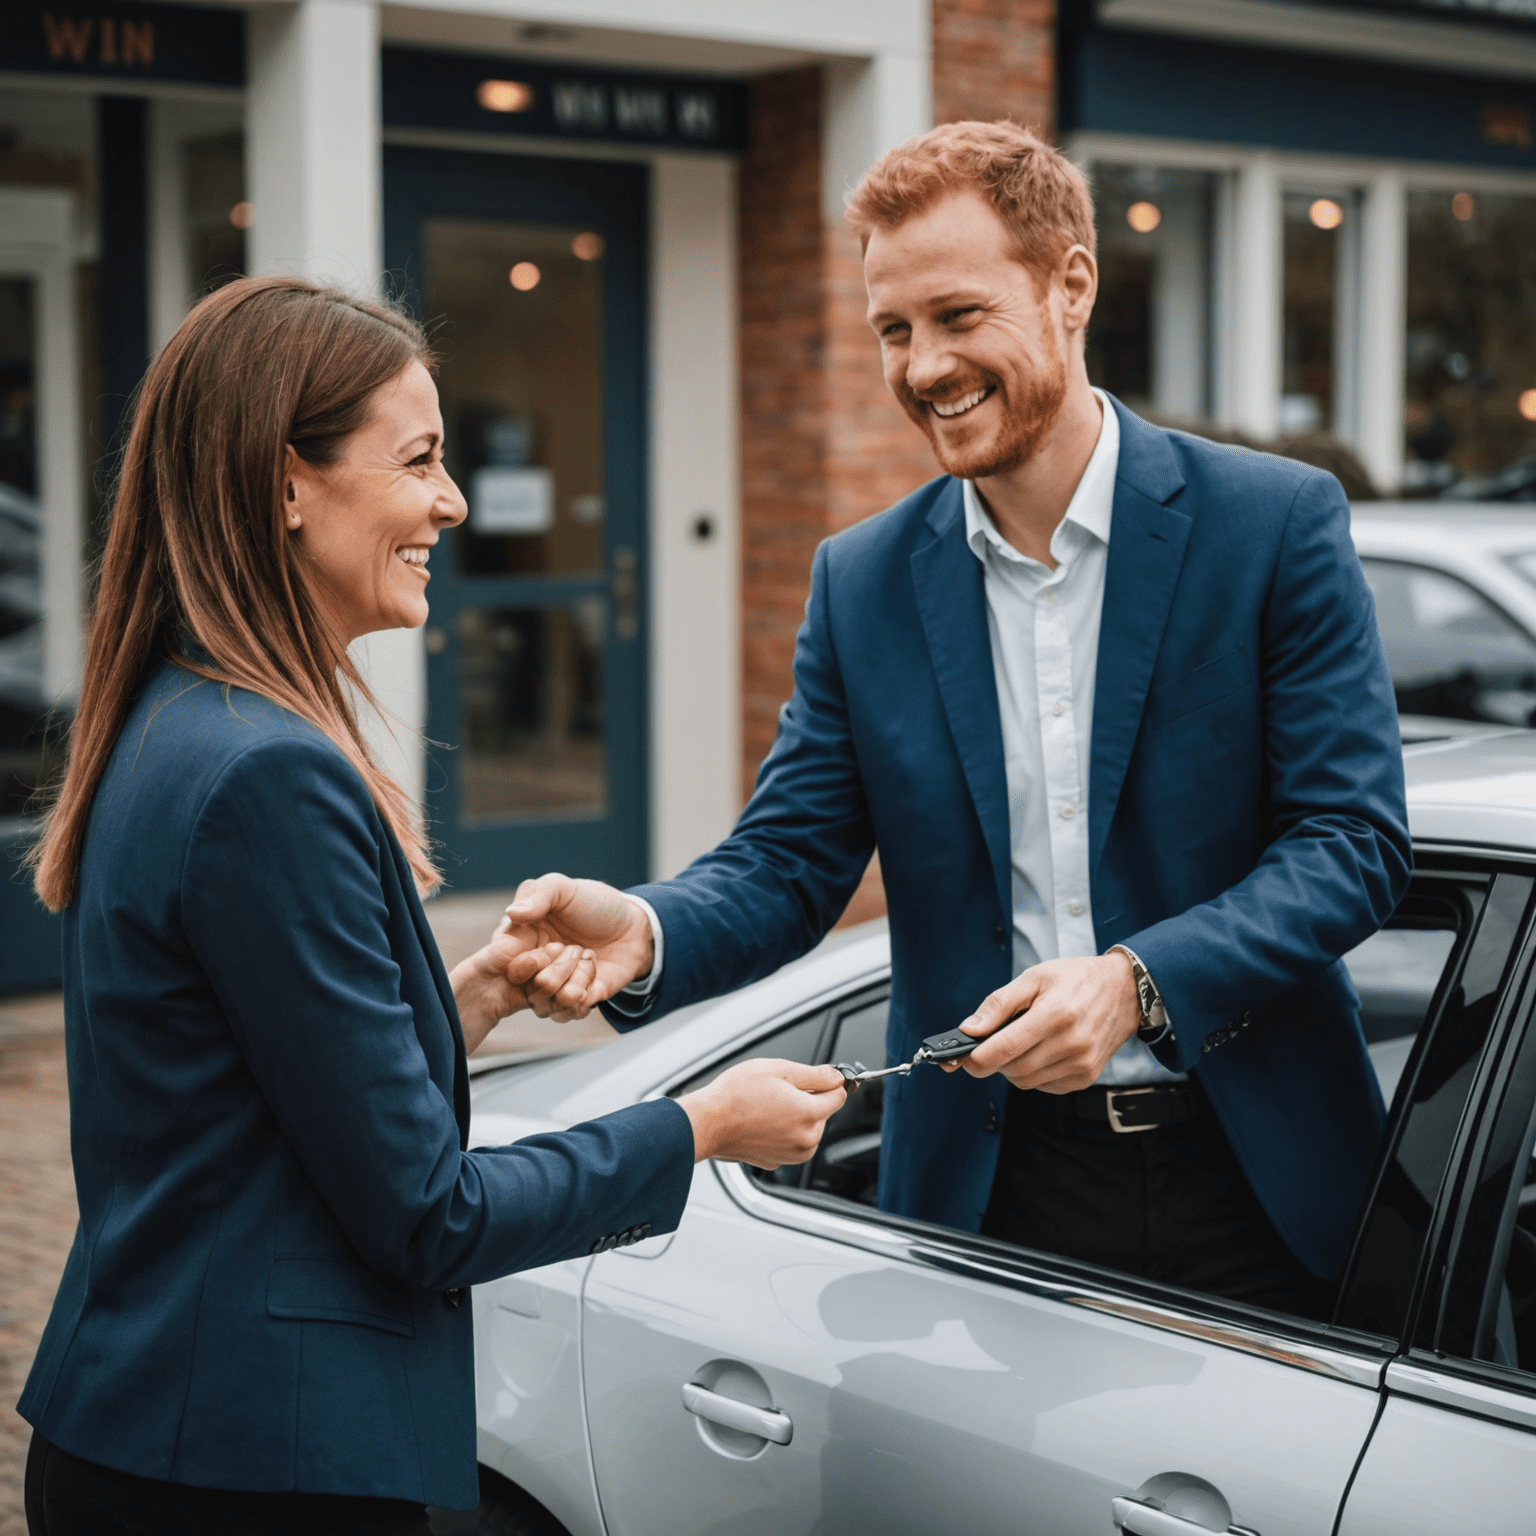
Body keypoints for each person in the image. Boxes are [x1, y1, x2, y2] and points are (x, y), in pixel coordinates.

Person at [500, 121, 1411, 1317]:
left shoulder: (1273, 525)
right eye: (894, 329)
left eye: (958, 316)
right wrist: (645, 933)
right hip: (988, 1191)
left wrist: (1139, 982)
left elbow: (1352, 842)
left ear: (1069, 285)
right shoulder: (863, 580)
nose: (923, 365)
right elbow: (787, 864)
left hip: (1261, 1181)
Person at [17, 276, 846, 1536]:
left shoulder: (179, 717)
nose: (453, 503)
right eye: (419, 460)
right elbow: (427, 1215)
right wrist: (699, 1129)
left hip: (165, 1430)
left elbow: (250, 1096)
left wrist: (464, 1000)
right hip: (255, 1468)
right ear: (285, 483)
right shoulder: (269, 774)